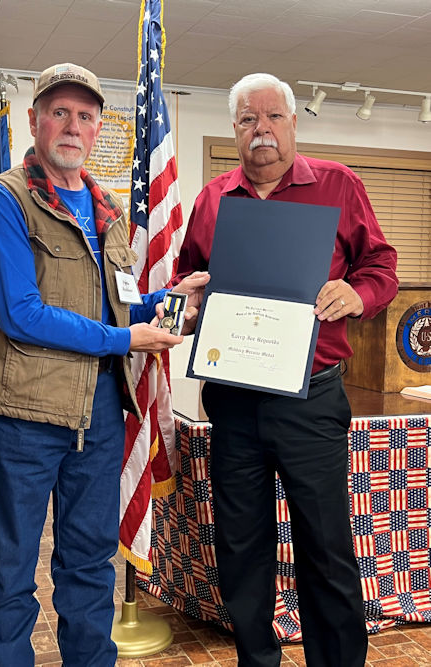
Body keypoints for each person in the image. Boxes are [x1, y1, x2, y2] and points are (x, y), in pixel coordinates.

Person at [0, 62, 209, 666]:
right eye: (59, 113)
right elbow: (22, 313)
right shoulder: (4, 201)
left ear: (99, 129)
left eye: (85, 116)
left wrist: (175, 301)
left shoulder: (110, 214)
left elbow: (121, 304)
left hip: (100, 418)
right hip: (23, 419)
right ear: (34, 121)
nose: (72, 126)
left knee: (89, 570)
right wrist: (126, 340)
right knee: (11, 579)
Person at [175, 73, 398, 667]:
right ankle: (257, 660)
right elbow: (189, 278)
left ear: (294, 123)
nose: (262, 130)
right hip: (233, 400)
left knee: (325, 546)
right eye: (248, 120)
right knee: (242, 547)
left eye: (273, 117)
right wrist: (188, 300)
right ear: (235, 130)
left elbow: (381, 264)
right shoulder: (212, 199)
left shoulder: (338, 185)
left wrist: (359, 295)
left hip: (311, 402)